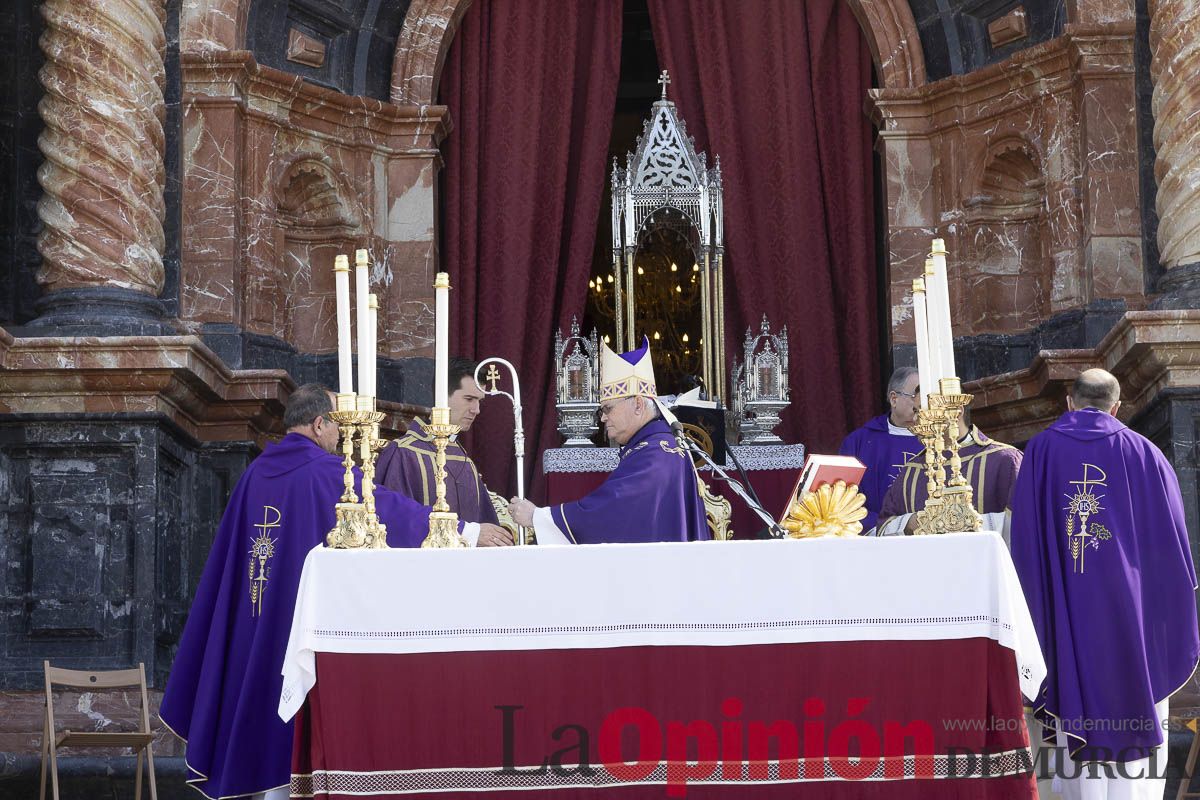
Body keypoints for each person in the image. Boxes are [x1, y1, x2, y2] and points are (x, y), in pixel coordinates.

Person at [159, 384, 511, 800]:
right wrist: (467, 531)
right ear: (320, 423)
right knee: (288, 708)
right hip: (295, 621)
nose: (342, 437)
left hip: (252, 615)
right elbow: (382, 508)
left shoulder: (255, 473)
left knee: (251, 690)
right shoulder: (324, 473)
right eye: (337, 426)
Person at [1009, 368, 1199, 799]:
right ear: (1116, 407)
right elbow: (1173, 549)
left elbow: (1026, 545)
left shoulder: (1039, 452)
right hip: (1131, 618)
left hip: (1065, 612)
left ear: (1070, 403)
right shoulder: (1147, 453)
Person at [508, 337, 709, 544]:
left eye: (608, 408)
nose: (603, 417)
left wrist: (538, 518)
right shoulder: (656, 446)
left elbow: (610, 512)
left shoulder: (656, 454)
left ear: (638, 404)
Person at [375, 356, 511, 545]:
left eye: (480, 401)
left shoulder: (462, 457)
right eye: (469, 399)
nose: (476, 410)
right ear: (440, 396)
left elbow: (486, 530)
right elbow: (395, 521)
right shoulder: (404, 454)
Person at [875, 408, 1022, 540]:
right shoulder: (911, 470)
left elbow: (1025, 524)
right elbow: (883, 527)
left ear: (956, 409)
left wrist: (960, 524)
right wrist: (912, 522)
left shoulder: (1005, 459)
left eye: (925, 410)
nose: (915, 419)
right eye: (915, 410)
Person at [837, 366, 921, 533]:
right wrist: (888, 527)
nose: (922, 403)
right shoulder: (858, 443)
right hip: (875, 536)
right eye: (915, 396)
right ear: (894, 398)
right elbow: (843, 502)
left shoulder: (939, 439)